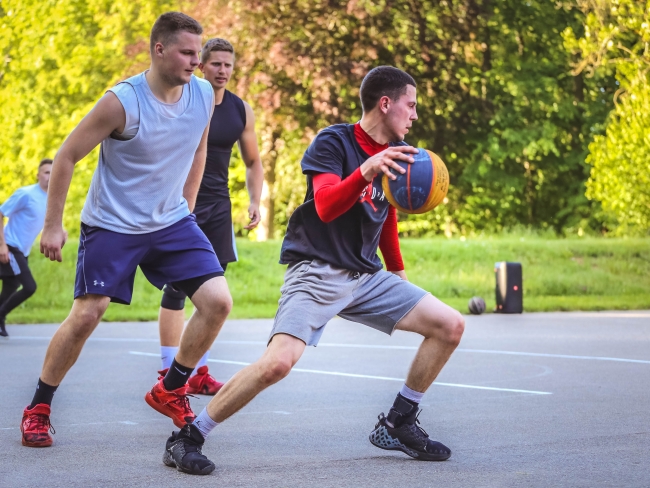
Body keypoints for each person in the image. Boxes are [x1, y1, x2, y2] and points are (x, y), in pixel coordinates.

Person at [160, 66, 465, 476]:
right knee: (277, 364)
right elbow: (324, 205)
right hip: (317, 273)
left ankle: (398, 421)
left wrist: (399, 274)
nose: (414, 116)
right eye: (410, 106)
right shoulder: (333, 141)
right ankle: (188, 436)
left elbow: (385, 216)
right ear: (385, 103)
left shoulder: (401, 152)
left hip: (366, 276)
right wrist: (367, 170)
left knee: (450, 325)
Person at [20, 12, 233, 449]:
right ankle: (39, 406)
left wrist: (186, 208)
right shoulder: (122, 101)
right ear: (159, 49)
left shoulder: (201, 96)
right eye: (187, 52)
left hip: (171, 221)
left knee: (218, 302)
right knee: (87, 314)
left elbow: (199, 148)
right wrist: (53, 225)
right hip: (113, 224)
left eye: (200, 53)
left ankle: (170, 388)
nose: (198, 61)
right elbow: (65, 157)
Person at [157, 38, 263, 395]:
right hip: (179, 203)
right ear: (200, 66)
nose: (223, 71)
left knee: (211, 294)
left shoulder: (240, 110)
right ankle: (165, 371)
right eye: (215, 64)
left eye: (228, 65)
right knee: (176, 288)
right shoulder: (184, 99)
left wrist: (255, 200)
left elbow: (253, 162)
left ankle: (197, 371)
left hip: (218, 206)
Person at [0, 159, 52, 337]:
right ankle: (0, 315)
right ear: (38, 175)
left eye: (53, 173)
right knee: (29, 287)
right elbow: (1, 212)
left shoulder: (52, 199)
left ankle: (0, 319)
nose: (50, 176)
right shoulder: (26, 194)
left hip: (23, 251)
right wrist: (2, 245)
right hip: (10, 246)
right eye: (46, 172)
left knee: (10, 287)